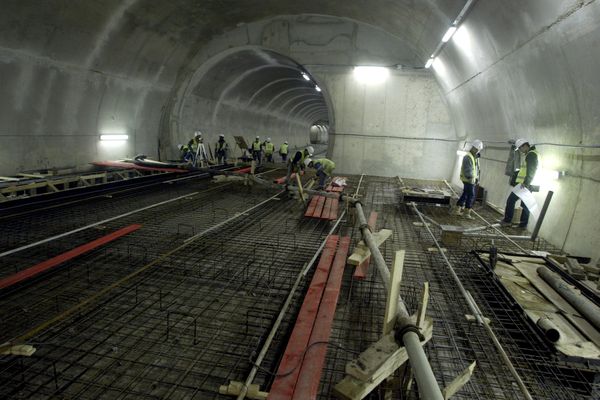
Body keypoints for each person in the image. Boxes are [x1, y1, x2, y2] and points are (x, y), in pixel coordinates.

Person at [500, 138, 540, 228]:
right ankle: (523, 224)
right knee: (525, 204)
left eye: (521, 148)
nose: (521, 151)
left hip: (524, 185)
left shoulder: (531, 155)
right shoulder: (533, 153)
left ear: (525, 145)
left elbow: (532, 170)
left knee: (511, 201)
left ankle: (507, 220)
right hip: (528, 184)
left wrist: (526, 183)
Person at [451, 140, 483, 219]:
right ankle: (466, 213)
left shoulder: (475, 156)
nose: (477, 151)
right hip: (469, 180)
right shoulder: (468, 157)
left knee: (465, 194)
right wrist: (472, 178)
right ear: (475, 148)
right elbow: (468, 170)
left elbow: (476, 169)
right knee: (471, 195)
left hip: (471, 180)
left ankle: (457, 209)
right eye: (477, 149)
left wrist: (477, 178)